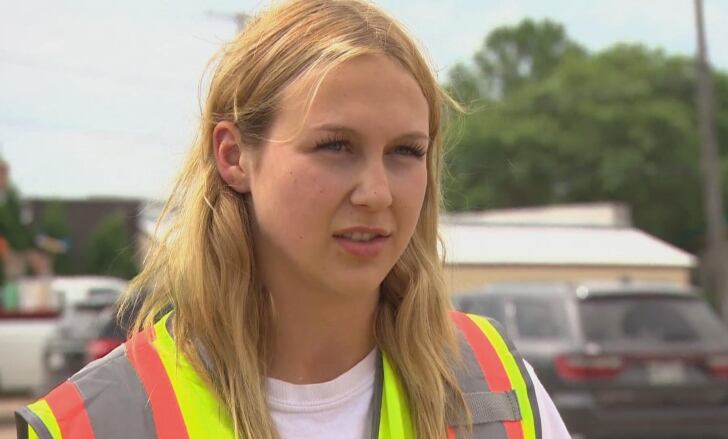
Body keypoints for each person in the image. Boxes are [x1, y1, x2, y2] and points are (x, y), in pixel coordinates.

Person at [16, 0, 570, 438]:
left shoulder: (497, 385)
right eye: (335, 146)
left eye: (406, 152)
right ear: (233, 155)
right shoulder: (96, 422)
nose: (377, 193)